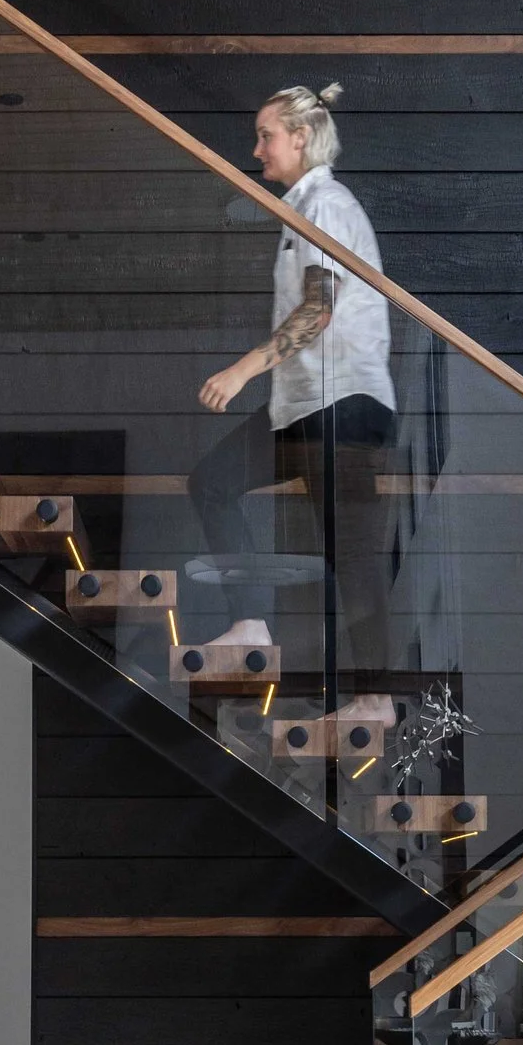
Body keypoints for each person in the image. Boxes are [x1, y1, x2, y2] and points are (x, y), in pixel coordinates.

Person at [186, 81, 397, 717]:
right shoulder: (303, 209)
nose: (257, 150)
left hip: (341, 405)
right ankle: (251, 623)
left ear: (300, 138)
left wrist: (244, 368)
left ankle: (378, 697)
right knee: (214, 482)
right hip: (306, 406)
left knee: (351, 551)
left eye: (266, 136)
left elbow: (319, 308)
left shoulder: (326, 203)